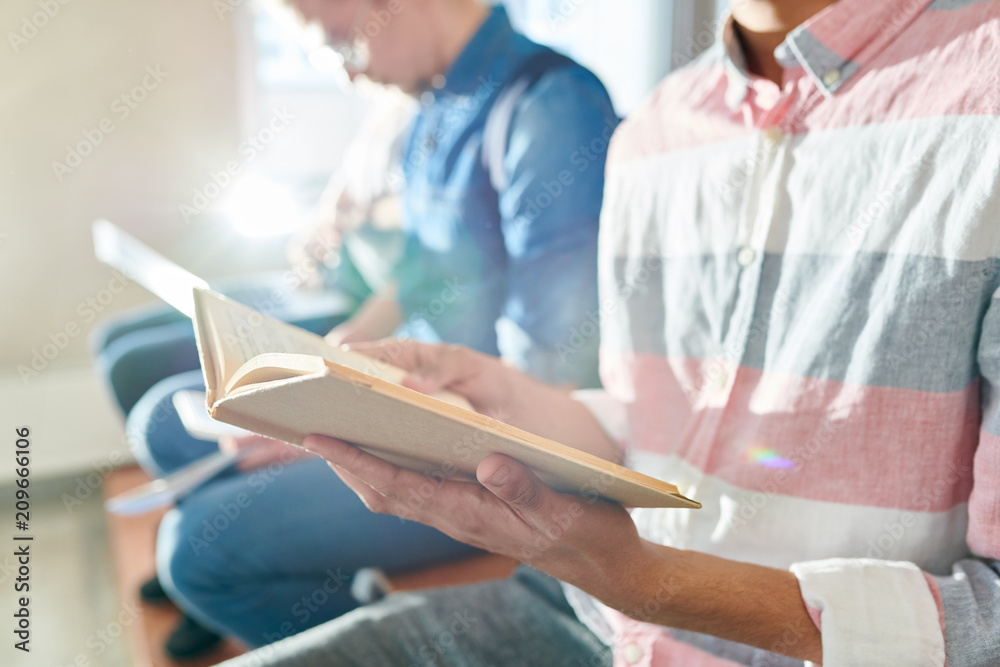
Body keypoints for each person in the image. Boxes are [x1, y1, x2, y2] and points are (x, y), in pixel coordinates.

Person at [217, 0, 1000, 664]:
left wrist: (650, 580)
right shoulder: (657, 133)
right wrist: (504, 400)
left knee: (207, 556)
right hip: (597, 615)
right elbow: (653, 422)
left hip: (730, 630)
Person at [126, 0, 618, 658]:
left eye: (341, 42)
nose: (348, 74)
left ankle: (350, 612)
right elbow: (423, 270)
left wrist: (350, 420)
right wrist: (341, 350)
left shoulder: (550, 109)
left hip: (483, 443)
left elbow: (548, 371)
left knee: (195, 551)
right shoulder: (433, 106)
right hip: (408, 388)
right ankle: (300, 574)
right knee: (167, 421)